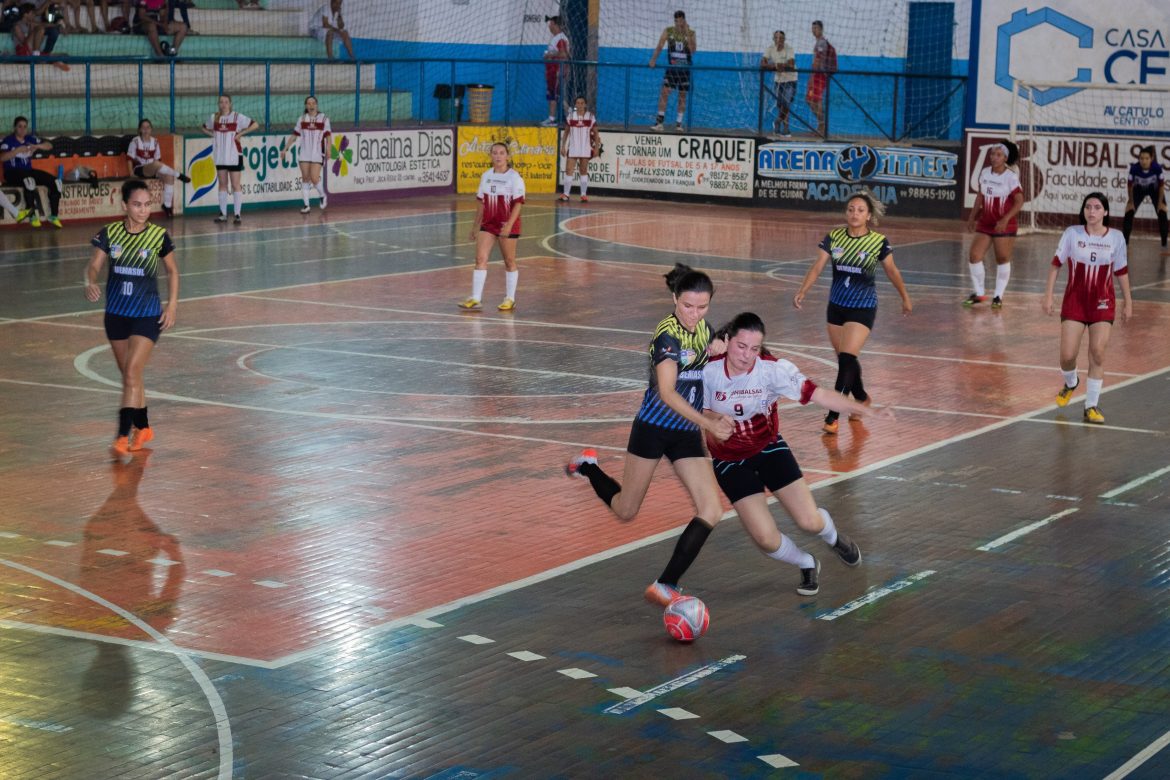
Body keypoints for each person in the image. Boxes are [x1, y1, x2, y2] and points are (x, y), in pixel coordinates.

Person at [566, 264, 733, 607]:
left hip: (686, 433)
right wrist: (709, 423)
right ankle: (588, 466)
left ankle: (665, 584)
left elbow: (708, 382)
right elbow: (669, 393)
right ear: (674, 299)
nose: (694, 313)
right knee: (626, 509)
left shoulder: (705, 330)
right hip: (654, 428)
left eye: (702, 307)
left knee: (712, 509)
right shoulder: (666, 335)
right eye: (688, 306)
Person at [703, 313, 882, 594]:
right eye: (740, 346)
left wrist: (865, 409)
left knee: (809, 521)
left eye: (754, 348)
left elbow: (820, 394)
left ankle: (834, 538)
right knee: (764, 538)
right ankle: (806, 562)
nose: (746, 355)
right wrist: (710, 418)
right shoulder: (707, 368)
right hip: (730, 461)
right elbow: (689, 405)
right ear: (726, 341)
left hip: (769, 448)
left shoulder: (772, 370)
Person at [792, 190, 912, 435]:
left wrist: (905, 297)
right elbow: (817, 267)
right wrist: (803, 290)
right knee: (846, 359)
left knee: (847, 358)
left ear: (868, 215)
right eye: (851, 209)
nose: (855, 213)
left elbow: (892, 271)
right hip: (836, 306)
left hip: (863, 308)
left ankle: (833, 415)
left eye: (860, 210)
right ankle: (861, 398)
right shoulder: (834, 237)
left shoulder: (878, 242)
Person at [83, 179, 179, 456]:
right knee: (130, 376)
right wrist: (89, 282)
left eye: (147, 204)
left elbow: (173, 271)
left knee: (132, 372)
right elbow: (93, 266)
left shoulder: (158, 237)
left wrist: (171, 305)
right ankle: (144, 427)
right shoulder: (110, 234)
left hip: (147, 316)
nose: (143, 210)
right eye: (137, 204)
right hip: (116, 316)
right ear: (124, 205)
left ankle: (122, 435)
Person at [1043, 192, 1132, 425]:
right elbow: (1055, 265)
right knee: (1067, 356)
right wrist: (1048, 295)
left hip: (1103, 303)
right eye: (1088, 207)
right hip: (1075, 302)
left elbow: (1121, 272)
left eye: (1097, 207)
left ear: (1106, 212)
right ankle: (1071, 382)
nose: (1092, 211)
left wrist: (1128, 303)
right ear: (1083, 211)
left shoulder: (1116, 237)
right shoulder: (1072, 234)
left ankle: (1091, 406)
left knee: (1098, 353)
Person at [459, 142, 524, 311]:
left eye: (502, 153)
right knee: (480, 259)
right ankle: (475, 297)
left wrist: (509, 225)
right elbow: (481, 202)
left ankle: (510, 298)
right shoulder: (486, 176)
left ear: (507, 156)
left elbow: (518, 204)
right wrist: (475, 226)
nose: (498, 156)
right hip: (488, 225)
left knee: (509, 261)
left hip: (506, 225)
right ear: (491, 156)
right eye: (494, 153)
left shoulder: (514, 178)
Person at [964, 140, 1023, 308]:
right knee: (974, 256)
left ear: (1005, 158)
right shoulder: (985, 173)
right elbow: (980, 196)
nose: (994, 157)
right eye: (992, 154)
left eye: (998, 155)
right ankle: (980, 293)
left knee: (1002, 258)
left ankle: (998, 296)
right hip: (986, 223)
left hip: (1004, 225)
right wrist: (972, 217)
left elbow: (1019, 201)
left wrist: (1005, 219)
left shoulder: (1010, 177)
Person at [202, 94, 257, 224]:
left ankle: (237, 214)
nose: (223, 104)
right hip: (220, 156)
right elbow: (203, 127)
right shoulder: (214, 117)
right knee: (222, 184)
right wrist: (213, 135)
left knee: (235, 185)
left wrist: (241, 134)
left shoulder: (238, 117)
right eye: (221, 102)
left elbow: (255, 125)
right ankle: (223, 214)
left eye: (226, 102)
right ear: (218, 104)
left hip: (234, 155)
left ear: (230, 103)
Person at [0, 115, 62, 228]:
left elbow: (49, 145)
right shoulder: (8, 141)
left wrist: (38, 146)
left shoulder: (29, 139)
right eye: (20, 127)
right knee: (29, 181)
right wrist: (17, 150)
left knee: (56, 182)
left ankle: (54, 216)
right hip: (12, 172)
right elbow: (2, 157)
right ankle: (32, 215)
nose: (22, 129)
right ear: (15, 128)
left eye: (25, 127)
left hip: (28, 170)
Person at [127, 118, 190, 217]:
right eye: (143, 128)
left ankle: (167, 206)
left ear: (151, 129)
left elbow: (158, 160)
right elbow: (129, 159)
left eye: (148, 127)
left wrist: (159, 170)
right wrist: (131, 173)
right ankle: (178, 174)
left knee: (169, 176)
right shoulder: (135, 141)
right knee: (156, 164)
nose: (146, 130)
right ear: (139, 130)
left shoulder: (155, 142)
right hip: (140, 169)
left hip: (153, 168)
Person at [279, 95, 331, 213]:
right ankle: (306, 205)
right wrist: (285, 149)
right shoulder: (302, 119)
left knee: (314, 177)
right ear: (306, 106)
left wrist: (329, 148)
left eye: (313, 103)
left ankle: (322, 195)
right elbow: (294, 135)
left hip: (317, 153)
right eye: (309, 103)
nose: (311, 105)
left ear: (317, 105)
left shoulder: (324, 118)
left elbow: (328, 135)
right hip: (304, 153)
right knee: (305, 178)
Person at [649, 10, 695, 132]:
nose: (677, 23)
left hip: (685, 70)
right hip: (672, 69)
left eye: (680, 20)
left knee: (682, 96)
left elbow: (693, 51)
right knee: (664, 92)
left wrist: (687, 33)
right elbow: (659, 46)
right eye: (675, 21)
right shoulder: (668, 31)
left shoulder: (691, 33)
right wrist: (653, 59)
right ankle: (659, 123)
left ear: (684, 20)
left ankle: (679, 124)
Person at [1122, 145, 1168, 251]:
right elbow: (1129, 186)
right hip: (1138, 190)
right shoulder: (1134, 169)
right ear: (1139, 159)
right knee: (1129, 212)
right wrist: (1131, 202)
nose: (1144, 161)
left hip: (1155, 190)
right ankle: (1125, 243)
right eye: (1141, 158)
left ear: (1151, 159)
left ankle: (1164, 244)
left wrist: (1160, 203)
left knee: (1162, 213)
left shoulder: (1157, 168)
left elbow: (1161, 186)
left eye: (1146, 158)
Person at [558, 95, 598, 203]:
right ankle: (566, 194)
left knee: (583, 171)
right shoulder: (571, 116)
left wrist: (597, 148)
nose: (580, 105)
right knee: (569, 170)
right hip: (573, 148)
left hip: (585, 149)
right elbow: (566, 132)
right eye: (578, 103)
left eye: (582, 103)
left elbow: (596, 134)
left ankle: (583, 195)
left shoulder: (590, 117)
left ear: (585, 105)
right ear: (575, 105)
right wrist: (563, 146)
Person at [761, 29, 796, 137]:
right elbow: (762, 63)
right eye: (776, 38)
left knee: (786, 103)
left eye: (781, 38)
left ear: (784, 39)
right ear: (773, 39)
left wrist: (775, 65)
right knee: (780, 105)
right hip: (778, 80)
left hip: (791, 79)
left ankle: (782, 124)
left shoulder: (789, 48)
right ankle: (780, 127)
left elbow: (791, 64)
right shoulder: (770, 49)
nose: (779, 40)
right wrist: (775, 66)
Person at [806, 20, 836, 137]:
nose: (814, 30)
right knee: (811, 100)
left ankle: (822, 126)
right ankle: (821, 125)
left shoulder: (821, 43)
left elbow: (817, 61)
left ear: (821, 29)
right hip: (817, 74)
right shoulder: (818, 42)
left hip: (819, 75)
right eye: (812, 28)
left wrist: (812, 76)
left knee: (815, 100)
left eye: (816, 28)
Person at [540, 15, 569, 127]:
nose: (549, 27)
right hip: (553, 71)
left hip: (557, 71)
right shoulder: (557, 38)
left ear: (557, 25)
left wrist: (549, 55)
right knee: (559, 96)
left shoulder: (560, 39)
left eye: (551, 24)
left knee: (554, 95)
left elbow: (563, 54)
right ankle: (571, 117)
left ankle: (552, 119)